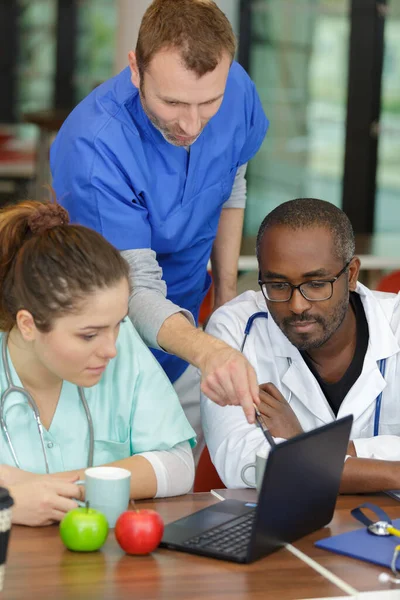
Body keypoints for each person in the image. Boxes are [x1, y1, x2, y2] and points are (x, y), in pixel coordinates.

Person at [50, 0, 269, 451]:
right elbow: (134, 291)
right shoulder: (94, 149)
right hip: (105, 351)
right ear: (135, 69)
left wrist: (225, 299)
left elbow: (232, 177)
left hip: (189, 330)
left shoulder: (236, 88)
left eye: (209, 102)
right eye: (172, 102)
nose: (191, 124)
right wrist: (209, 351)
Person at [0, 199, 196, 527]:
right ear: (28, 324)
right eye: (89, 335)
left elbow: (177, 466)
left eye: (118, 323)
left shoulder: (122, 343)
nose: (112, 349)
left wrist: (45, 486)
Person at [201, 198, 400, 493]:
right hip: (287, 530)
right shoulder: (234, 329)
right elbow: (244, 462)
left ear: (352, 275)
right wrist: (393, 474)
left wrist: (303, 443)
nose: (297, 305)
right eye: (278, 285)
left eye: (316, 283)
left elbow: (284, 461)